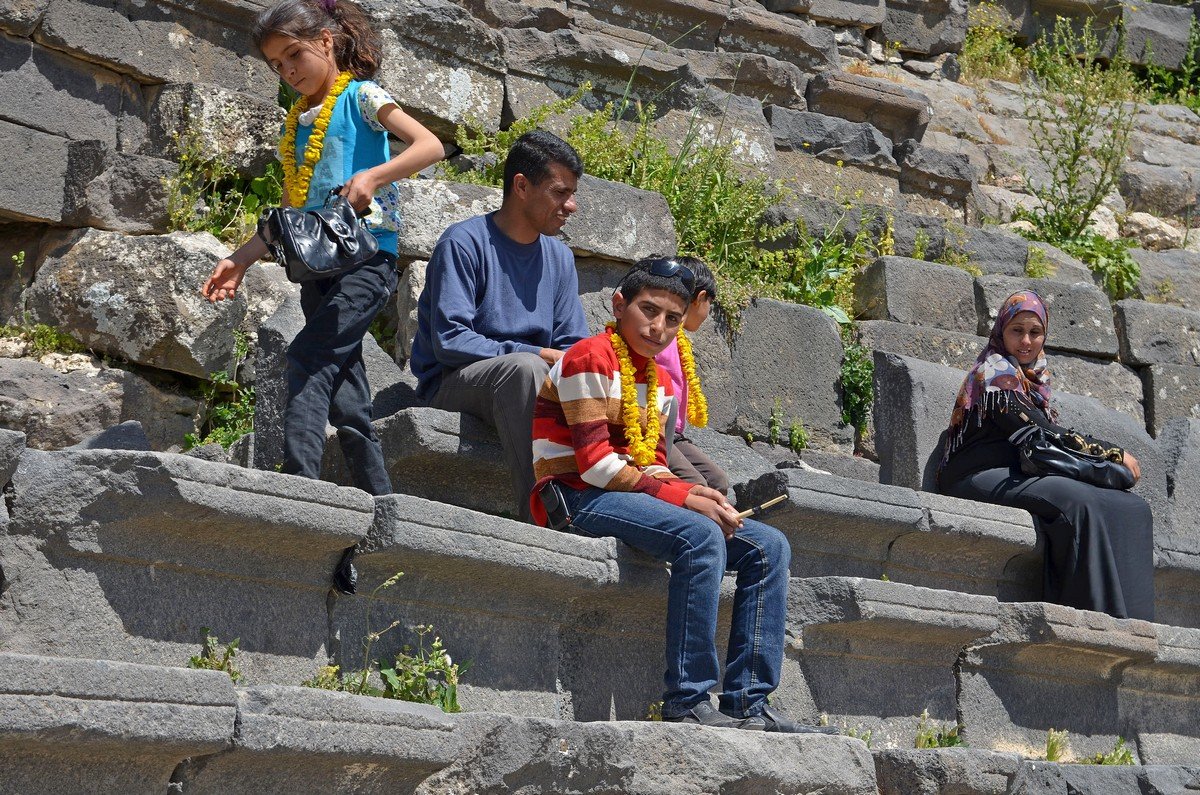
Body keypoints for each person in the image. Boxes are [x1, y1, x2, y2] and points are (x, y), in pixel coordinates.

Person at [530, 258, 837, 733]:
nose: (658, 327)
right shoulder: (589, 357)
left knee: (768, 546)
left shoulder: (654, 376)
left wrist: (696, 492)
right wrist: (684, 501)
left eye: (672, 319)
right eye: (648, 311)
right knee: (699, 536)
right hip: (573, 496)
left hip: (621, 491)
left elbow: (650, 459)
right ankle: (688, 699)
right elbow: (594, 464)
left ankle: (747, 703)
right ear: (618, 305)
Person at [202, 0, 444, 589]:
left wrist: (372, 177)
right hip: (320, 271)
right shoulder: (299, 122)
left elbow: (429, 145)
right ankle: (376, 523)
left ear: (328, 43)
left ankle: (300, 496)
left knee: (306, 359)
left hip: (365, 262)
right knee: (350, 404)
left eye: (295, 55)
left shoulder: (361, 97)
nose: (288, 71)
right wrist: (237, 260)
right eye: (277, 65)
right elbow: (298, 217)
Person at [937, 291, 1154, 621]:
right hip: (973, 476)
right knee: (1077, 501)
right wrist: (1110, 454)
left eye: (1035, 333)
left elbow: (1042, 441)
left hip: (1018, 471)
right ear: (1001, 332)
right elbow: (1039, 434)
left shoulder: (1033, 379)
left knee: (1131, 506)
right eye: (1016, 331)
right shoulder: (993, 373)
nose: (1026, 341)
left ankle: (1135, 624)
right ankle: (1090, 622)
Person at [408, 130, 590, 523]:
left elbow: (573, 344)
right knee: (526, 370)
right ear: (521, 186)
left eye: (572, 194)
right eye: (560, 193)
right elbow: (450, 340)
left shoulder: (559, 257)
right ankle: (544, 515)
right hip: (454, 381)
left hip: (532, 379)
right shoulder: (464, 242)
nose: (571, 206)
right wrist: (533, 352)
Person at [654, 257, 729, 493]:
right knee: (695, 484)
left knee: (718, 482)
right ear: (701, 298)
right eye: (710, 304)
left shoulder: (680, 340)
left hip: (675, 433)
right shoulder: (661, 335)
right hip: (655, 426)